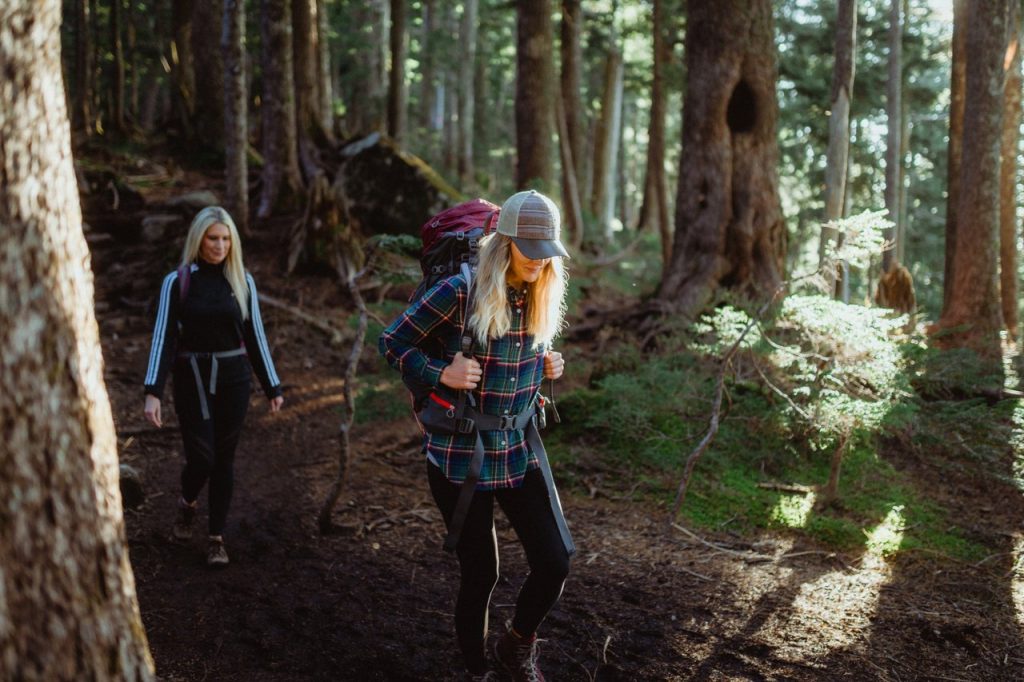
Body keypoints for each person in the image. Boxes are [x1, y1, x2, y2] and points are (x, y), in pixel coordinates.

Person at [380, 190, 574, 682]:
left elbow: (518, 365)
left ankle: (515, 647)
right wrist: (440, 372)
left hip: (518, 448)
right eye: (530, 250)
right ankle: (476, 670)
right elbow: (393, 342)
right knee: (481, 574)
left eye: (546, 251)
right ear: (504, 241)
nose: (539, 261)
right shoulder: (460, 291)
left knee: (554, 562)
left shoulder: (541, 287)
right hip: (457, 452)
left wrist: (545, 368)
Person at [143, 206, 283, 567]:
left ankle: (216, 539)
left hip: (235, 378)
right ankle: (187, 503)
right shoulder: (177, 282)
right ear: (199, 240)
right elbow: (164, 339)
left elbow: (256, 337)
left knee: (224, 458)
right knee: (201, 458)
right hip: (192, 379)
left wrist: (272, 385)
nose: (219, 245)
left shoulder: (242, 281)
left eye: (225, 239)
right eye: (212, 238)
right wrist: (153, 391)